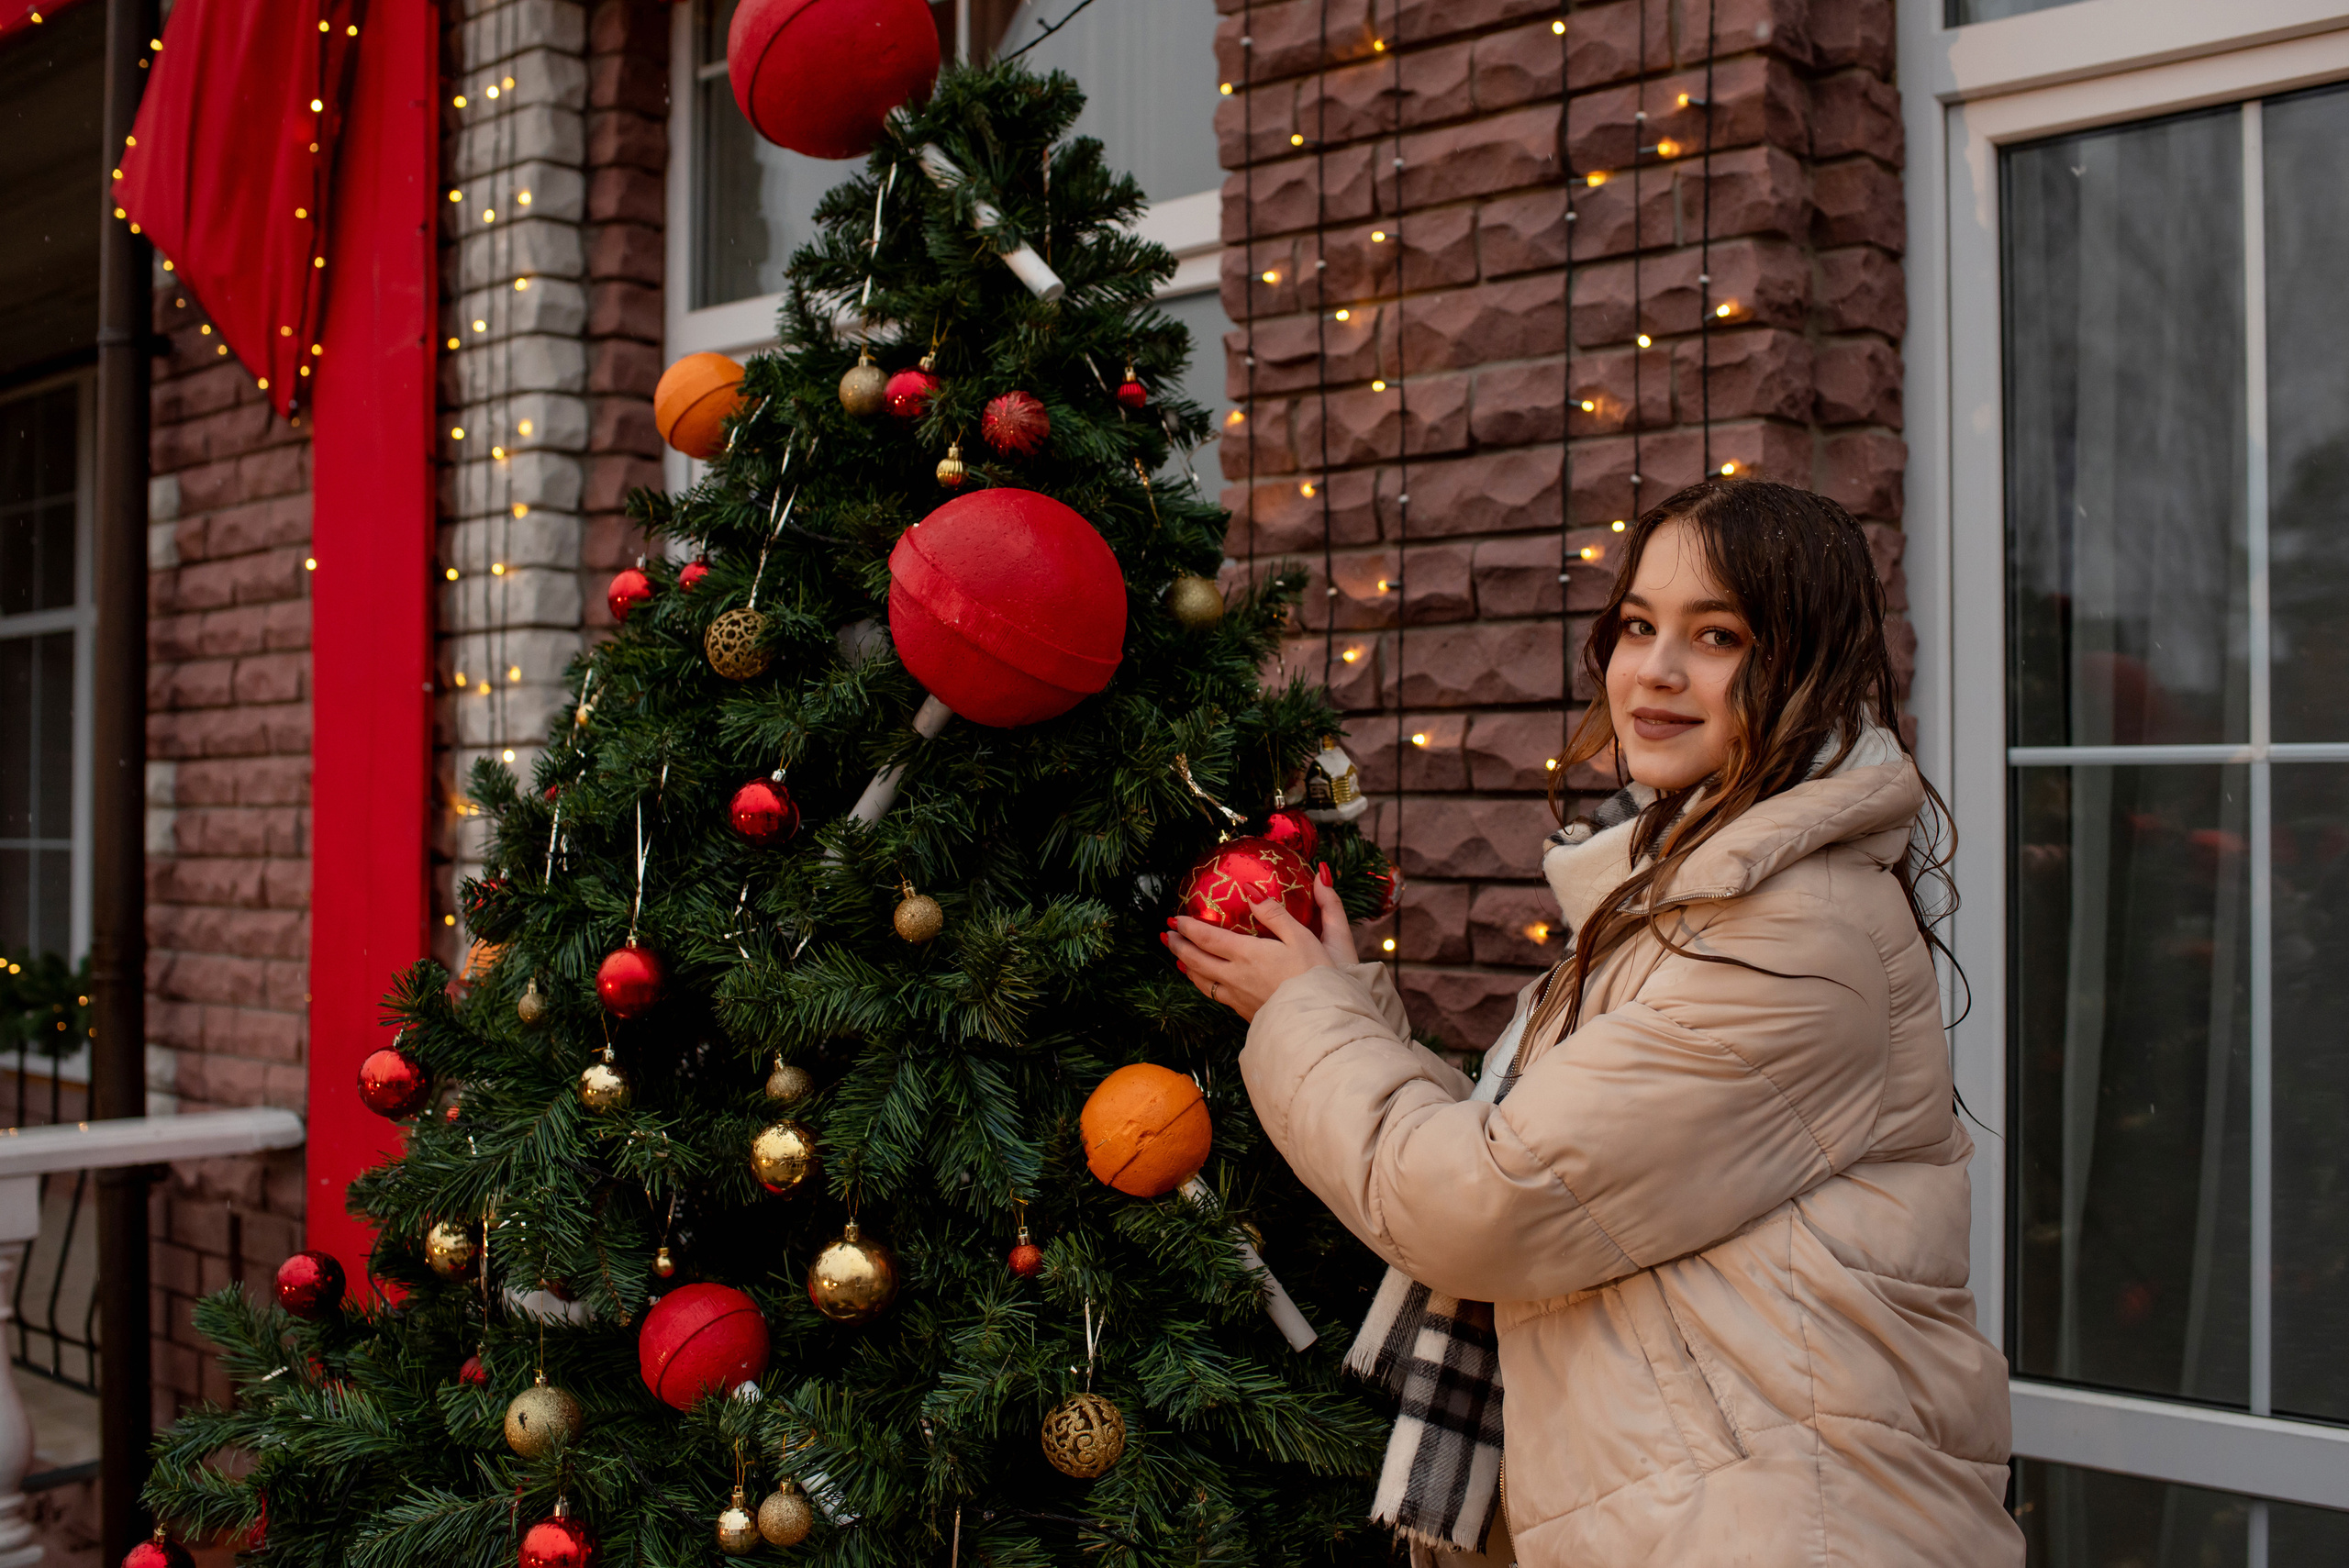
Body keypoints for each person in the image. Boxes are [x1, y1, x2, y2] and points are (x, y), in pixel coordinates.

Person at [1166, 480, 2022, 1568]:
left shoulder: (1790, 932)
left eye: (1716, 635)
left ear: (1805, 666)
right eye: (1636, 625)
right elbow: (1551, 1152)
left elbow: (1487, 1198)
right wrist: (1340, 998)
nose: (1653, 670)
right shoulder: (1678, 887)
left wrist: (1302, 1014)